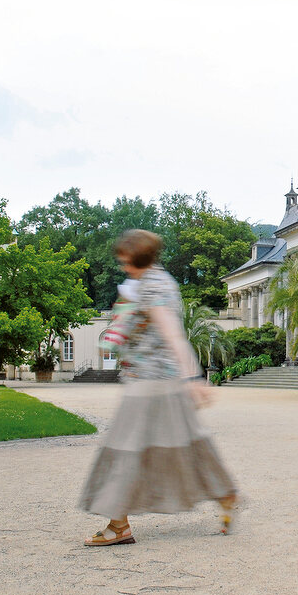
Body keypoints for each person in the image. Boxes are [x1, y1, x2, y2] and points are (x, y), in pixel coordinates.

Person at [79, 229, 237, 546]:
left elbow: (172, 334)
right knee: (188, 444)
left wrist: (193, 377)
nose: (123, 267)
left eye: (126, 261)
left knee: (123, 448)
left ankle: (119, 525)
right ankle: (225, 494)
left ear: (138, 259)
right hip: (158, 381)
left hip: (150, 383)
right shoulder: (157, 281)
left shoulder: (151, 287)